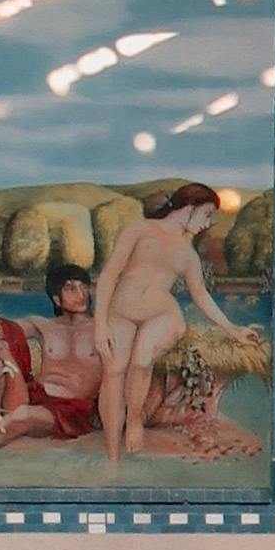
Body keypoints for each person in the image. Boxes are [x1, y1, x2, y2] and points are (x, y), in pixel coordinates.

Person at [90, 183, 232, 462]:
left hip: (161, 313)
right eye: (206, 214)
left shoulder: (188, 254)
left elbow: (201, 296)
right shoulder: (139, 230)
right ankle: (112, 455)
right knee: (114, 371)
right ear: (189, 208)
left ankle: (134, 421)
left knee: (142, 360)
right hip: (120, 311)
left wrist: (231, 328)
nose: (206, 224)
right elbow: (109, 275)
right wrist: (100, 324)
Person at [0, 253, 103, 442]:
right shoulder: (43, 325)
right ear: (57, 299)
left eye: (83, 287)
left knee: (24, 415)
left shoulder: (102, 328)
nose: (81, 294)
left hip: (70, 410)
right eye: (70, 289)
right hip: (33, 396)